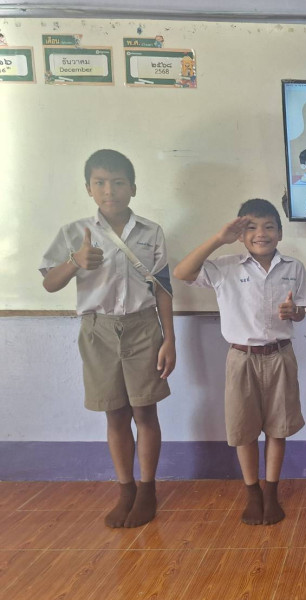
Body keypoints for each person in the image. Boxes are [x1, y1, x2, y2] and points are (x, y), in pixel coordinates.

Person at [40, 149, 176, 528]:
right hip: (98, 329)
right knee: (114, 412)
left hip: (143, 326)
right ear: (88, 188)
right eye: (99, 182)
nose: (109, 190)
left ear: (133, 188)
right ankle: (126, 489)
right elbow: (49, 283)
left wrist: (170, 339)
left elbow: (163, 288)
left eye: (118, 182)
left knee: (145, 411)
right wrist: (75, 262)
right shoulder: (74, 232)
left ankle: (147, 490)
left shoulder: (151, 232)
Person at [173, 198, 306, 525]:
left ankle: (271, 492)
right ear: (239, 234)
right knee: (244, 430)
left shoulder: (293, 268)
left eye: (268, 226)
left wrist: (294, 312)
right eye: (250, 227)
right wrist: (217, 239)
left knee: (278, 429)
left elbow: (302, 313)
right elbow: (182, 272)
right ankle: (252, 492)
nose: (260, 233)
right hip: (241, 358)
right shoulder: (225, 266)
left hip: (280, 356)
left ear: (280, 233)